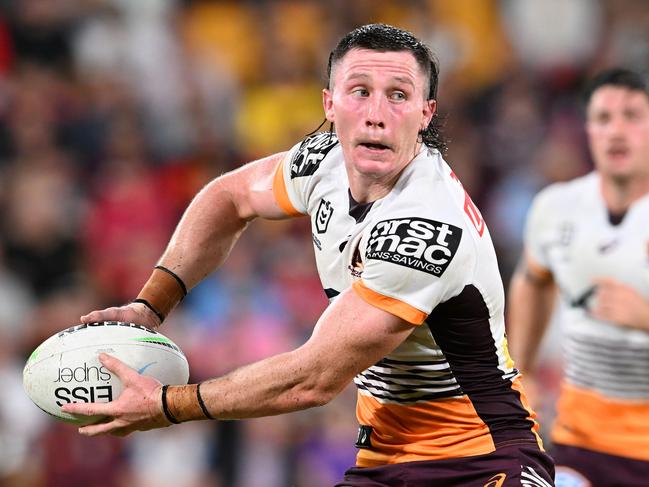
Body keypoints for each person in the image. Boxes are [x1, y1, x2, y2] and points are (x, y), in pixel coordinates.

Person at [63, 24, 555, 486]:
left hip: (484, 458)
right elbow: (228, 197)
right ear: (330, 103)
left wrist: (169, 405)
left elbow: (313, 380)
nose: (376, 113)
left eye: (398, 95)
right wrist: (150, 305)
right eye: (359, 91)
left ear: (426, 113)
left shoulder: (424, 228)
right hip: (386, 458)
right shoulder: (323, 160)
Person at [507, 68, 649, 487]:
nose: (616, 130)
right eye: (604, 118)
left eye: (632, 116)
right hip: (580, 444)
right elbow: (533, 279)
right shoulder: (556, 209)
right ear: (588, 129)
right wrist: (522, 368)